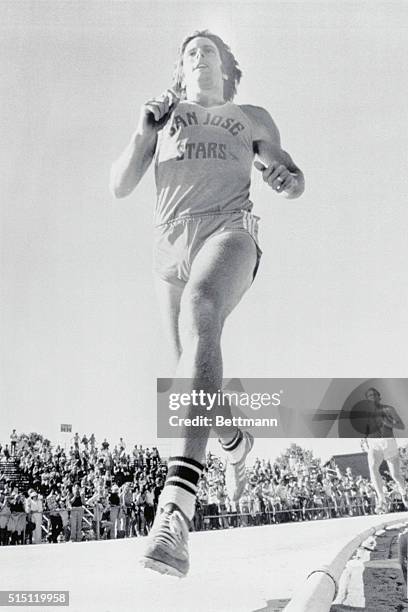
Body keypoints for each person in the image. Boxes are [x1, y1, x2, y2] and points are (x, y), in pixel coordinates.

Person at [110, 30, 304, 576]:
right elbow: (119, 184)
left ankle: (176, 509)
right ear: (180, 70)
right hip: (168, 245)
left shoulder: (251, 116)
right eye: (189, 52)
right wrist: (140, 132)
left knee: (202, 310)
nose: (198, 57)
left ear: (226, 67)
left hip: (229, 229)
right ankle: (230, 434)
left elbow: (288, 173)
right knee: (184, 382)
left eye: (208, 50)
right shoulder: (164, 113)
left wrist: (288, 180)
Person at [361, 388, 408, 513]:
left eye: (374, 395)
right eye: (369, 396)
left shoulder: (388, 409)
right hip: (374, 444)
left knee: (395, 475)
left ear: (379, 397)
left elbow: (401, 425)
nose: (372, 397)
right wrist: (363, 441)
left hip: (389, 442)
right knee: (372, 467)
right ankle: (381, 499)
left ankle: (404, 492)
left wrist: (388, 423)